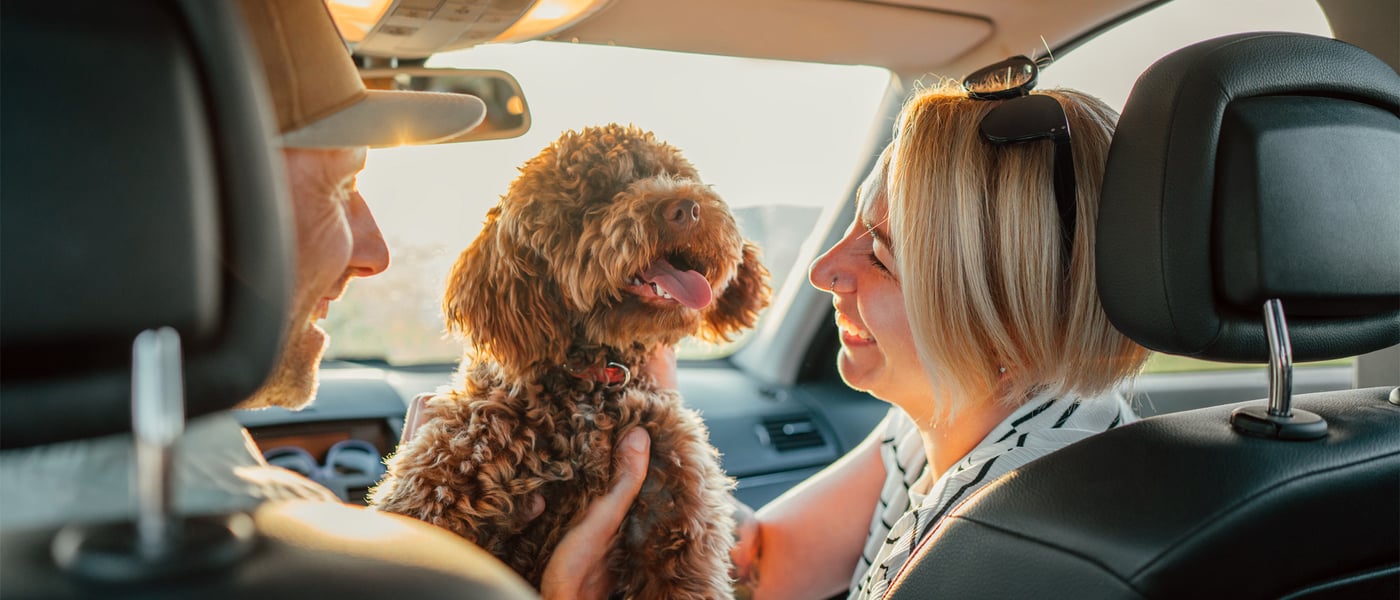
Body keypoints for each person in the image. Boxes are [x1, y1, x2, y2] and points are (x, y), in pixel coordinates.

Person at [0, 0, 648, 596]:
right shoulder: (262, 547)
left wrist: (406, 538)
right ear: (179, 204)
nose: (375, 253)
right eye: (340, 188)